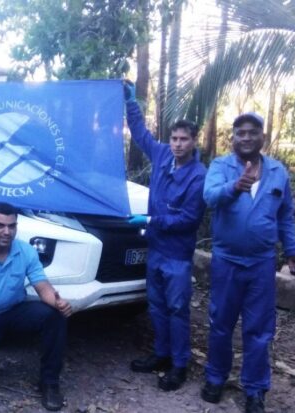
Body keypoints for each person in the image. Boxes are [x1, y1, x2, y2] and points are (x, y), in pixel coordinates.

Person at [201, 112, 295, 413]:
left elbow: (284, 216)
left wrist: (293, 251)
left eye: (252, 132)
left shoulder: (278, 171)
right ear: (233, 137)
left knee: (259, 330)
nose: (245, 137)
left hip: (261, 263)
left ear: (263, 137)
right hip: (227, 261)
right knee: (221, 323)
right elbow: (209, 196)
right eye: (240, 133)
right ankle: (216, 378)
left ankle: (255, 389)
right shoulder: (221, 166)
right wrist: (235, 187)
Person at [123, 80, 207, 391]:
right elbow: (141, 133)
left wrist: (151, 219)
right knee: (156, 306)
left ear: (194, 141)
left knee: (177, 309)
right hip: (156, 249)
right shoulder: (161, 155)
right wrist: (131, 103)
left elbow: (188, 218)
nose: (178, 144)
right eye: (174, 138)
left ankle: (179, 364)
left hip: (177, 255)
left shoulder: (199, 176)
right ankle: (161, 355)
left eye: (184, 139)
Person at [0, 202, 72, 411]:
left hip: (14, 311)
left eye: (12, 226)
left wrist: (58, 302)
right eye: (0, 225)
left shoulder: (26, 251)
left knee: (55, 316)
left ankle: (49, 383)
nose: (7, 231)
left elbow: (43, 287)